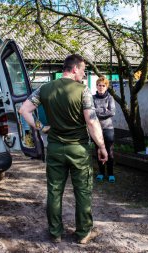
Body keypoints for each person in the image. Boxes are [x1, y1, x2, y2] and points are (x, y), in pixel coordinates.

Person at [19, 54, 108, 244]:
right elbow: (91, 122)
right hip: (79, 150)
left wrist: (41, 127)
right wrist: (102, 146)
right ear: (74, 69)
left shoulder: (44, 88)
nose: (84, 75)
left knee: (54, 191)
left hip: (55, 148)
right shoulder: (83, 91)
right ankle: (83, 234)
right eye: (83, 70)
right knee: (82, 192)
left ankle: (55, 233)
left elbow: (23, 110)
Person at [93, 76, 116, 183]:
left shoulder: (110, 98)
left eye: (103, 85)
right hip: (96, 129)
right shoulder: (92, 98)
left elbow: (112, 112)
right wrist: (104, 110)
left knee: (109, 151)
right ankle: (101, 173)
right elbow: (90, 113)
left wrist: (97, 112)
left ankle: (110, 173)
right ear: (96, 86)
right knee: (98, 151)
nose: (101, 87)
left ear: (106, 87)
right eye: (99, 85)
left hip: (108, 129)